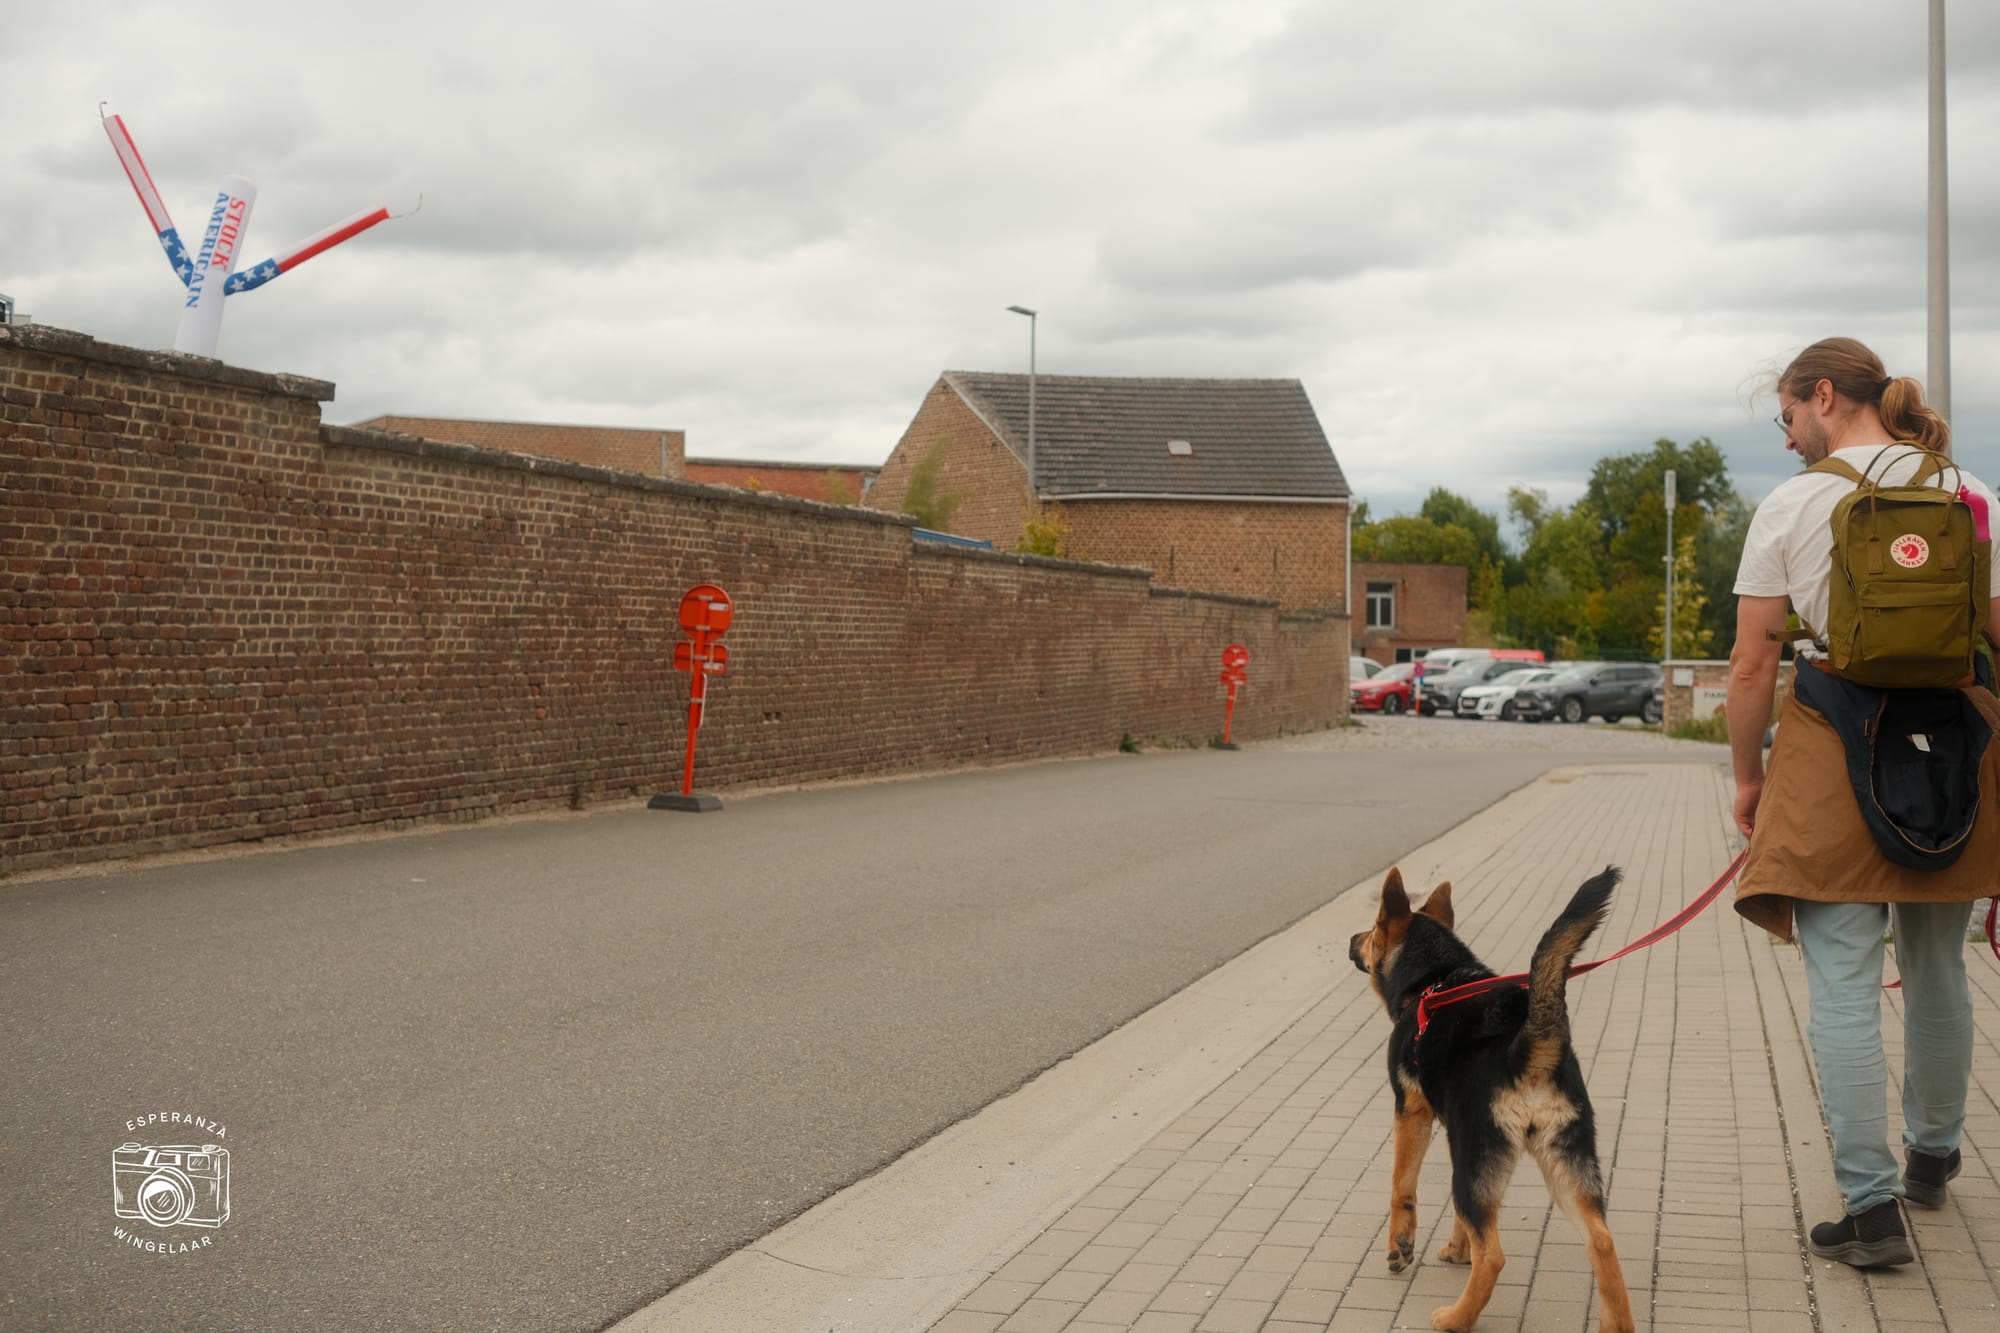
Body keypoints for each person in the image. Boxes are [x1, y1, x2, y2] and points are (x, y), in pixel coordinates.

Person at [1728, 336, 2000, 1268]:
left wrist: (1748, 780)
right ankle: (1932, 1156)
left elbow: (1752, 664)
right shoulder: (1970, 493)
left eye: (1788, 416)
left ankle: (1871, 1208)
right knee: (1938, 967)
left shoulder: (1793, 504)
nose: (1788, 438)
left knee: (1843, 982)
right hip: (1952, 754)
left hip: (1831, 744)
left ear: (1825, 396)